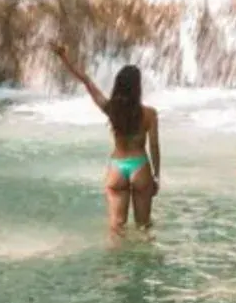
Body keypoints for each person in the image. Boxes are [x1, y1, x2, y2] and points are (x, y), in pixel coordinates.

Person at [52, 42, 160, 232]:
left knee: (116, 228)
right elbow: (154, 147)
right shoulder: (149, 114)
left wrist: (64, 58)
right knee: (144, 227)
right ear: (137, 87)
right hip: (140, 167)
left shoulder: (111, 110)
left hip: (117, 167)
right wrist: (156, 176)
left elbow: (86, 81)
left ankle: (115, 252)